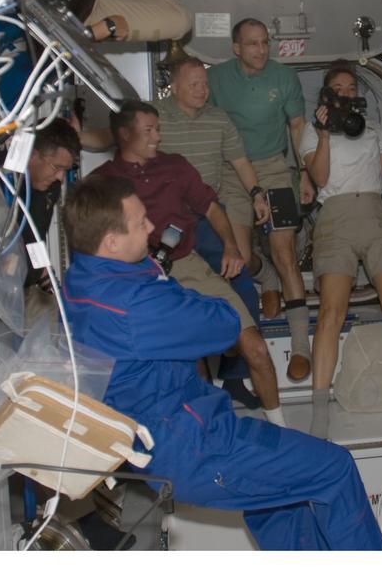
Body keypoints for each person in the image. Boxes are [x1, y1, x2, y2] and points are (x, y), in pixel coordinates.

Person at [60, 175, 382, 550]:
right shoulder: (137, 303)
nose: (151, 228)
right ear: (112, 242)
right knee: (334, 469)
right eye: (140, 223)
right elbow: (223, 323)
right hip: (197, 447)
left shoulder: (77, 282)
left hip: (165, 441)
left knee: (279, 502)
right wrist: (159, 281)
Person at [91, 102, 285, 425]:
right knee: (190, 368)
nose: (158, 136)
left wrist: (231, 247)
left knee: (257, 350)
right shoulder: (103, 183)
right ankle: (210, 432)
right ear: (124, 134)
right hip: (142, 280)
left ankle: (281, 427)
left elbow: (211, 208)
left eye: (158, 129)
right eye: (149, 130)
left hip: (187, 264)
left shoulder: (175, 166)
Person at [299, 61, 382, 439]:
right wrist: (325, 134)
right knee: (331, 313)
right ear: (327, 95)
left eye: (351, 87)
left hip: (375, 215)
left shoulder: (373, 128)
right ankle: (320, 412)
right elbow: (321, 178)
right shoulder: (311, 134)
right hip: (336, 219)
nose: (346, 93)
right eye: (338, 88)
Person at [209, 18, 315, 381]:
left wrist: (304, 173)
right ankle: (265, 275)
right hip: (233, 171)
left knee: (285, 251)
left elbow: (298, 127)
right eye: (252, 44)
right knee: (237, 257)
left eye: (265, 42)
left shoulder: (283, 78)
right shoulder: (217, 79)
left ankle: (301, 347)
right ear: (236, 48)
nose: (261, 50)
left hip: (272, 166)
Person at [154, 56, 285, 320]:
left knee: (239, 276)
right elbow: (113, 134)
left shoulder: (218, 119)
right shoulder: (153, 116)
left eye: (205, 83)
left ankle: (247, 342)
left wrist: (257, 195)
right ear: (175, 87)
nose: (202, 90)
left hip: (208, 213)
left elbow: (240, 161)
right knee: (167, 284)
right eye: (194, 84)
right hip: (168, 219)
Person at [23, 118, 81, 288]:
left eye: (66, 170)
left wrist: (41, 271)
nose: (61, 178)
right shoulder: (1, 186)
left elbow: (35, 237)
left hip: (30, 279)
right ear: (32, 154)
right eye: (57, 167)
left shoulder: (50, 189)